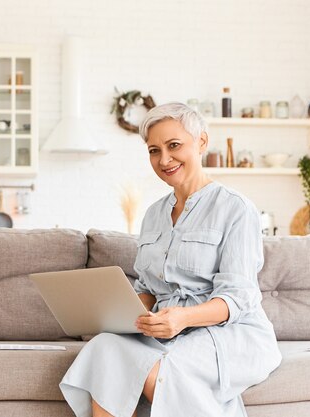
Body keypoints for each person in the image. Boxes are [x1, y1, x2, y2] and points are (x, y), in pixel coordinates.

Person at [59, 102, 282, 417]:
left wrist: (182, 318)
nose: (164, 159)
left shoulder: (235, 209)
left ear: (201, 142)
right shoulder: (153, 215)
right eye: (153, 150)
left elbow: (238, 298)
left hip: (232, 334)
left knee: (167, 368)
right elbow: (149, 287)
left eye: (174, 145)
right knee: (103, 348)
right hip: (168, 331)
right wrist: (119, 314)